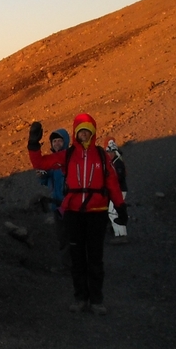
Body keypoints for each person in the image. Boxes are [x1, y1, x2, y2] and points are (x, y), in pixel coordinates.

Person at [27, 114, 125, 315]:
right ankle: (80, 298)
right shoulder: (68, 155)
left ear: (93, 133)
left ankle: (96, 300)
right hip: (74, 213)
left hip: (97, 213)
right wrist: (33, 145)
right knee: (77, 258)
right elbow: (41, 164)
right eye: (81, 131)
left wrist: (121, 208)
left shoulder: (101, 156)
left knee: (95, 259)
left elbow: (113, 184)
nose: (84, 134)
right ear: (75, 133)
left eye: (87, 131)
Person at [36, 128, 71, 271]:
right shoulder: (51, 161)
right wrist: (42, 175)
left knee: (70, 236)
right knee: (62, 236)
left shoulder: (70, 159)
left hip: (70, 205)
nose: (56, 143)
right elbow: (46, 181)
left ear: (65, 142)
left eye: (59, 141)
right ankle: (68, 265)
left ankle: (72, 266)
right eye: (54, 141)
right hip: (57, 205)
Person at [104, 138, 128, 243]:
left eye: (111, 152)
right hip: (117, 190)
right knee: (113, 212)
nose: (109, 154)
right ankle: (118, 233)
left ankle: (121, 235)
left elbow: (119, 177)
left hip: (119, 190)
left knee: (114, 212)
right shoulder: (115, 162)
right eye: (108, 152)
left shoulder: (117, 163)